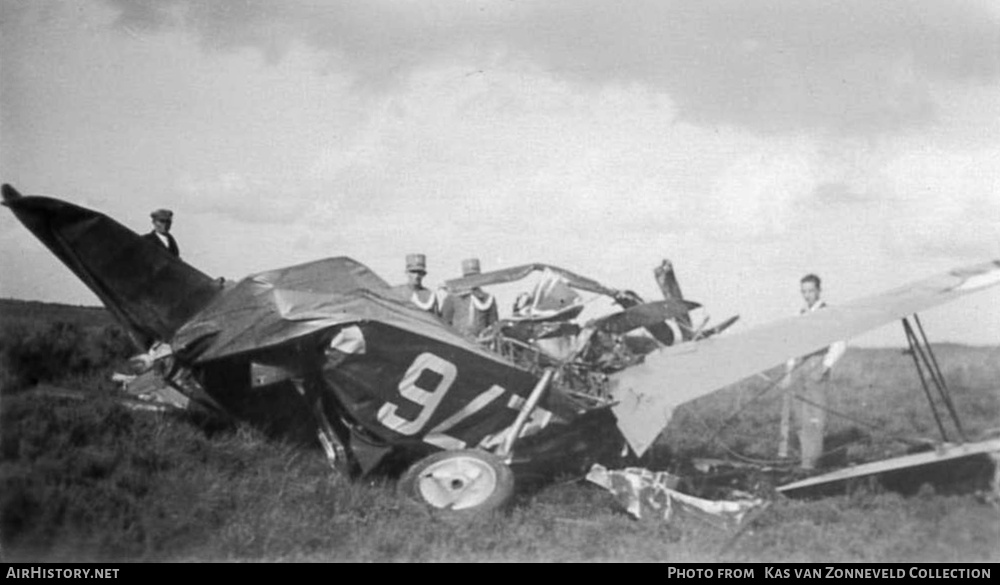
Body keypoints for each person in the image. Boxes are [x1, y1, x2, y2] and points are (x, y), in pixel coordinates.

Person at [779, 273, 847, 470]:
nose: (807, 295)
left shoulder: (828, 313)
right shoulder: (800, 314)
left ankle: (813, 463)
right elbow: (793, 345)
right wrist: (789, 372)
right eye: (804, 292)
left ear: (819, 291)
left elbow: (840, 342)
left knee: (815, 416)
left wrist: (825, 366)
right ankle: (805, 460)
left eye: (811, 291)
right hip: (800, 365)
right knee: (800, 416)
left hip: (817, 363)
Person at [445, 258, 499, 338]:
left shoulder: (488, 299)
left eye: (475, 276)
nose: (472, 280)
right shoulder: (453, 297)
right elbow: (444, 321)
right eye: (469, 277)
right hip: (457, 342)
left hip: (480, 344)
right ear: (464, 278)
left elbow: (493, 325)